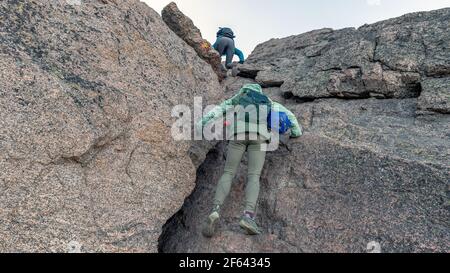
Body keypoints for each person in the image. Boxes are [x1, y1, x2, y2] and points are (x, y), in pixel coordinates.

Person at [197, 84, 302, 237]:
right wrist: (295, 132)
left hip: (238, 135)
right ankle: (248, 216)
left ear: (245, 90)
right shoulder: (268, 101)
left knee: (228, 173)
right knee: (253, 176)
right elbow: (291, 117)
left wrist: (203, 122)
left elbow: (218, 110)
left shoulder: (239, 98)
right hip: (259, 138)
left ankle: (215, 210)